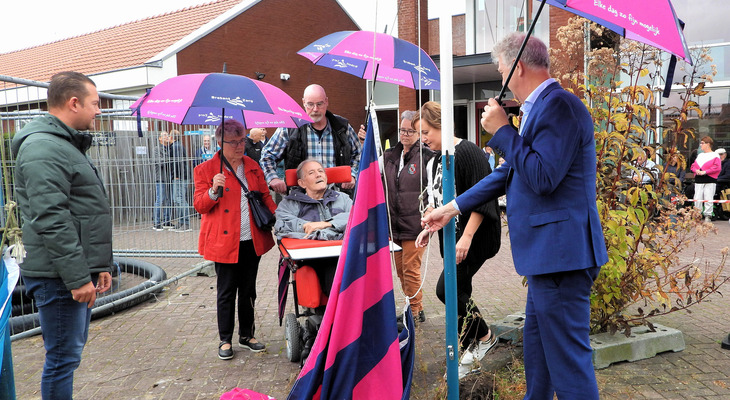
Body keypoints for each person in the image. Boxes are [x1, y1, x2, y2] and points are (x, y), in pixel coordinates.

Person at [421, 33, 608, 399]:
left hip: (562, 259)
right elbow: (506, 174)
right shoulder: (541, 108)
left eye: (502, 70)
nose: (501, 78)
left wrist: (504, 130)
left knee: (568, 363)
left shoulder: (560, 107)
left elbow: (543, 177)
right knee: (537, 358)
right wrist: (449, 209)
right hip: (548, 260)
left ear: (518, 67)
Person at [11, 71, 113, 399]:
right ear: (74, 103)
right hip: (58, 276)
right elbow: (52, 218)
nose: (99, 110)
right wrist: (77, 278)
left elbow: (82, 210)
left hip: (69, 271)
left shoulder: (63, 144)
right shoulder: (44, 147)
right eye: (95, 103)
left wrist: (99, 266)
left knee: (69, 356)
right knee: (62, 358)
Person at [413, 101, 502, 379]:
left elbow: (483, 199)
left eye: (426, 131)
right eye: (420, 134)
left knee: (446, 290)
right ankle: (467, 346)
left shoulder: (468, 152)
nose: (423, 139)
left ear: (441, 124)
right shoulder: (436, 159)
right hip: (453, 237)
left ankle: (485, 337)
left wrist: (466, 237)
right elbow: (441, 204)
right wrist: (429, 228)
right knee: (461, 290)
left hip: (476, 235)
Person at [194, 119, 276, 360]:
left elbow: (264, 197)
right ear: (220, 142)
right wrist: (212, 191)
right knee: (226, 290)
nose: (240, 146)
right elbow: (200, 205)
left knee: (248, 289)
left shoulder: (252, 165)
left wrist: (277, 218)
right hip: (224, 241)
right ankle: (225, 338)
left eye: (242, 140)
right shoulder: (206, 170)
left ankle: (247, 334)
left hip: (251, 238)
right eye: (234, 142)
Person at [260, 84, 362, 196]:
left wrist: (352, 175)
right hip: (301, 198)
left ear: (326, 101)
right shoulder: (290, 127)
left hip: (337, 196)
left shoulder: (342, 127)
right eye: (310, 104)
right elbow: (268, 155)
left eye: (319, 104)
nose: (315, 109)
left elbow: (359, 154)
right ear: (303, 102)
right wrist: (273, 178)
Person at [382, 110, 436, 324]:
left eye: (410, 131)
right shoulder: (390, 156)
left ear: (418, 132)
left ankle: (413, 311)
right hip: (394, 225)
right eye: (402, 130)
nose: (405, 134)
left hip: (415, 224)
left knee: (410, 269)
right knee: (401, 272)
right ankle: (415, 307)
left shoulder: (426, 156)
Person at [274, 159, 352, 296]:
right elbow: (282, 225)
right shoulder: (290, 204)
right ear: (301, 183)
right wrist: (306, 227)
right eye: (311, 172)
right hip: (311, 259)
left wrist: (326, 224)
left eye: (321, 171)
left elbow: (358, 217)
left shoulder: (343, 199)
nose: (318, 175)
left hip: (344, 255)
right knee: (332, 270)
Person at [691, 136, 722, 222]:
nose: (701, 145)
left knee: (708, 197)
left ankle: (708, 215)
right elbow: (693, 166)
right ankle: (697, 214)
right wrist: (696, 170)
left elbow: (717, 167)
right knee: (697, 197)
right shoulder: (700, 155)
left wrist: (705, 172)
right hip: (699, 179)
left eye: (702, 143)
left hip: (709, 179)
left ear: (708, 144)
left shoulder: (715, 155)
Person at [169, 129, 192, 231]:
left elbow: (178, 162)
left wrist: (177, 175)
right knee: (178, 199)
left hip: (180, 177)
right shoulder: (177, 145)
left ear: (171, 137)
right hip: (181, 176)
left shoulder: (175, 146)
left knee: (180, 199)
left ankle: (185, 223)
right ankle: (181, 222)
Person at [153, 131, 173, 230]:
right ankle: (156, 222)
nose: (167, 137)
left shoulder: (170, 148)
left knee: (168, 200)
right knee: (160, 199)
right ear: (159, 139)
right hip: (160, 178)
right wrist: (169, 159)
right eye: (164, 135)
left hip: (169, 178)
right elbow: (159, 162)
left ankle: (167, 221)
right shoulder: (157, 149)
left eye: (167, 135)